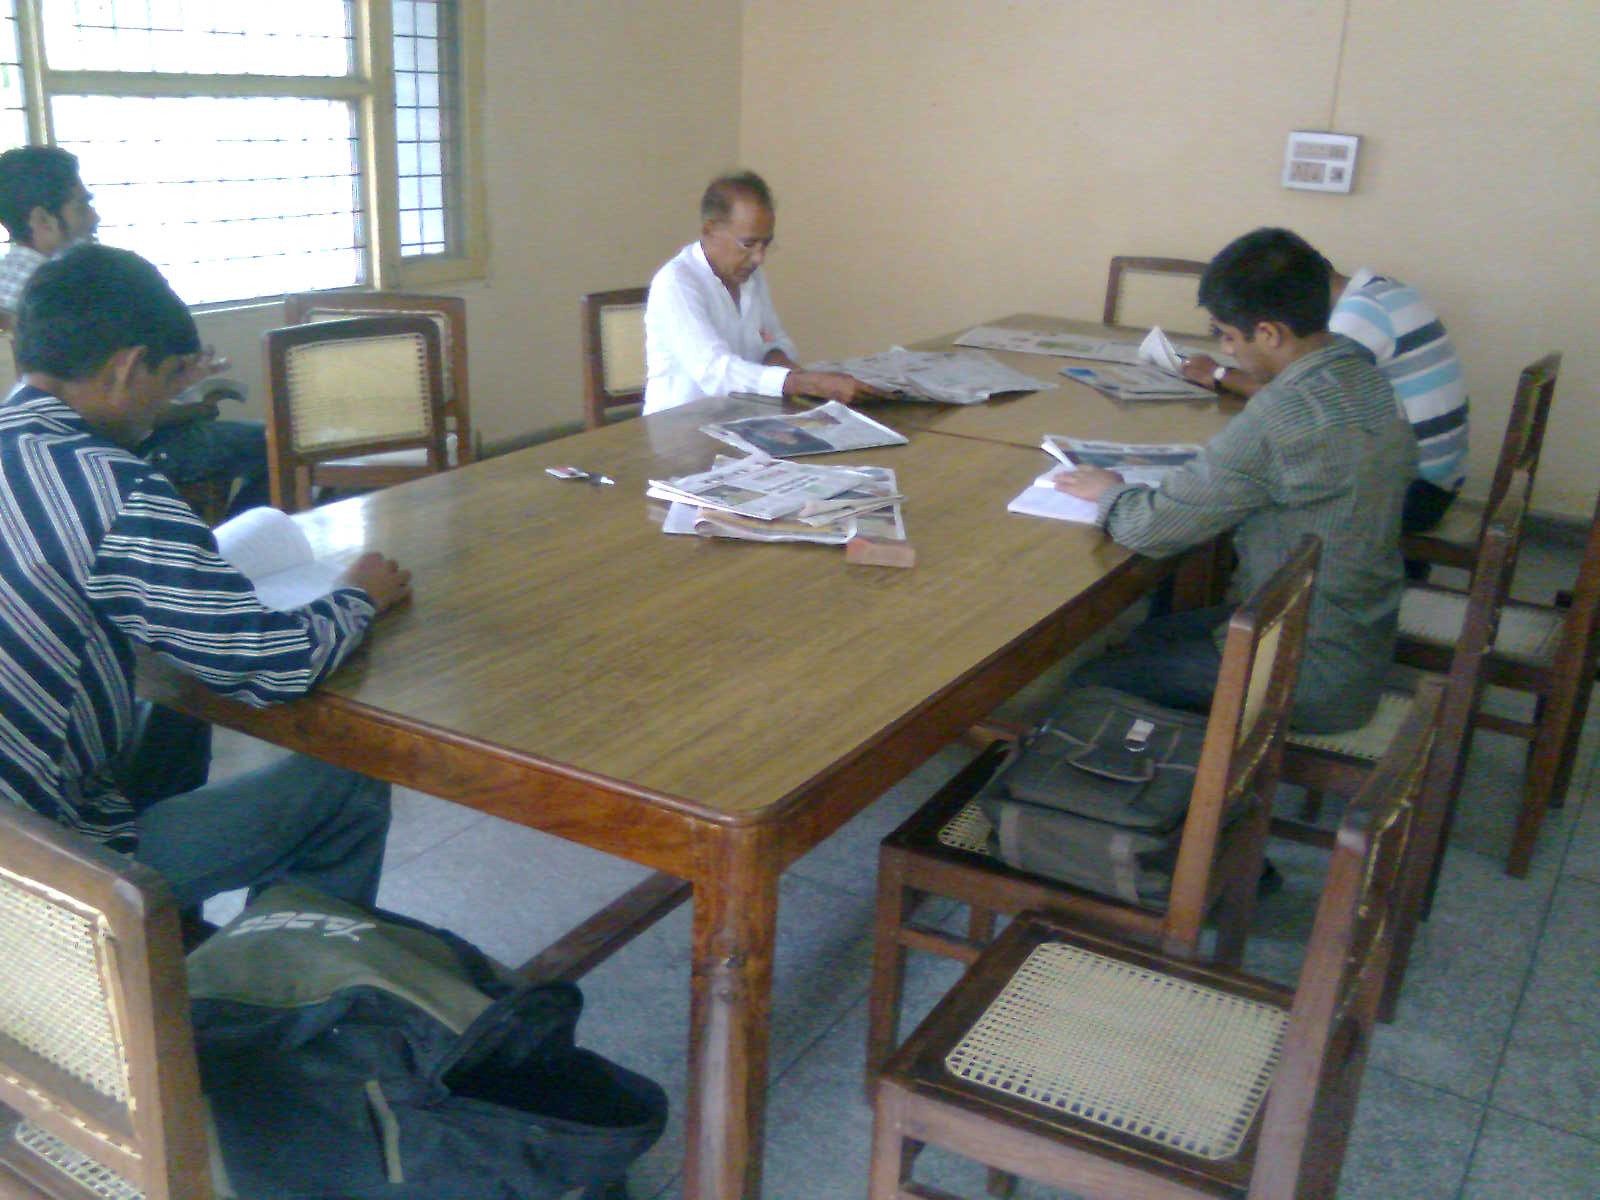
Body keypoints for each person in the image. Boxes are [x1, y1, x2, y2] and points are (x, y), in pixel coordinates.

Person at [0, 243, 411, 910]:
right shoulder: (114, 488)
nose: (160, 411)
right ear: (127, 366)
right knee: (350, 783)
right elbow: (274, 664)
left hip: (23, 804)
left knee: (171, 714)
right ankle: (269, 992)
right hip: (41, 873)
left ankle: (172, 952)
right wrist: (357, 597)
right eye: (165, 388)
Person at [1058, 227, 1416, 735]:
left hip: (1300, 672)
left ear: (1269, 334)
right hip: (1355, 643)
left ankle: (1171, 789)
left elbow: (1152, 530)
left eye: (1228, 336)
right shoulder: (1364, 375)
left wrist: (1109, 490)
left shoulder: (1282, 413)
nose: (1227, 350)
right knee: (1148, 635)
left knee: (1086, 683)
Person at [0, 145, 271, 518]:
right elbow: (110, 410)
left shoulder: (14, 286)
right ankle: (234, 544)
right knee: (274, 443)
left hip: (45, 459)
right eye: (82, 205)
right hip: (123, 453)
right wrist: (192, 406)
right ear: (42, 220)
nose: (94, 217)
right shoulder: (68, 296)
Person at [1181, 247, 1467, 536]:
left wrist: (1219, 374)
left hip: (1413, 494)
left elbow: (1294, 400)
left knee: (1234, 496)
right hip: (1436, 477)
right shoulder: (1381, 290)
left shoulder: (1356, 317)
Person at [643, 170, 889, 414]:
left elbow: (772, 342)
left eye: (766, 244)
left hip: (739, 419)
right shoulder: (676, 282)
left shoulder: (750, 277)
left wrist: (808, 382)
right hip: (677, 435)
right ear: (710, 230)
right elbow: (715, 372)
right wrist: (806, 383)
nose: (759, 258)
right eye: (748, 244)